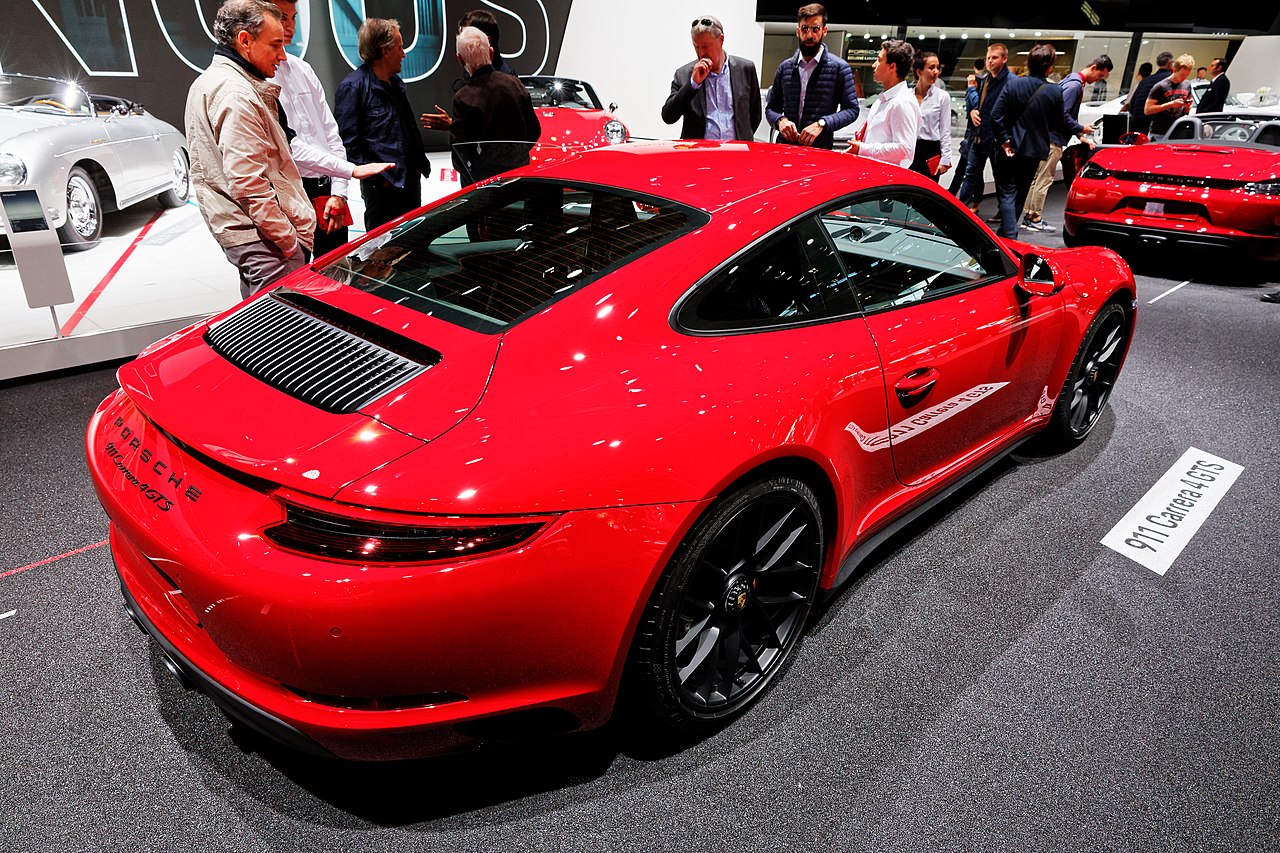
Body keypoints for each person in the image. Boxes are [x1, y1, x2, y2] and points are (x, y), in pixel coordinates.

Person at [185, 0, 315, 300]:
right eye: (275, 45)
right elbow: (249, 185)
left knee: (259, 331)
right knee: (280, 338)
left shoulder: (211, 82)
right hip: (264, 240)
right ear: (245, 41)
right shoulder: (236, 93)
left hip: (252, 237)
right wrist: (288, 242)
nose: (282, 56)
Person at [270, 0, 393, 257]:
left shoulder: (303, 69)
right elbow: (287, 146)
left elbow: (331, 135)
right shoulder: (258, 80)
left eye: (293, 18)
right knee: (297, 275)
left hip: (328, 189)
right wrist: (348, 172)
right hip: (291, 191)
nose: (289, 26)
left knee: (337, 272)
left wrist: (339, 192)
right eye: (282, 17)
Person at [334, 18, 431, 231]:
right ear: (384, 50)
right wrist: (380, 177)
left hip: (409, 182)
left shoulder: (396, 84)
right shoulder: (353, 87)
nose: (404, 54)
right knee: (382, 254)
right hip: (383, 190)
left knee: (414, 246)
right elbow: (347, 143)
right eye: (399, 47)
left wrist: (415, 168)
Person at [1020, 53, 1110, 232]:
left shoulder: (1071, 81)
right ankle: (1034, 217)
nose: (1098, 79)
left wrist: (1079, 134)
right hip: (1052, 140)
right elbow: (1063, 114)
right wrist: (1080, 128)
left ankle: (1029, 216)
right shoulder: (1075, 85)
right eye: (1100, 75)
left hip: (1046, 137)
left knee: (1037, 178)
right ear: (1094, 68)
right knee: (1044, 179)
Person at [990, 43, 1067, 239]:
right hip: (1035, 148)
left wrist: (1005, 140)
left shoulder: (1013, 84)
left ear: (1029, 64)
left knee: (1007, 192)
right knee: (1021, 192)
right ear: (1049, 67)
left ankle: (1009, 234)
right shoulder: (1054, 90)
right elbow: (1058, 122)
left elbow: (995, 115)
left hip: (1010, 147)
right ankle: (1008, 234)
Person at [446, 27, 541, 185]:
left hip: (481, 183)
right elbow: (534, 131)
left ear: (460, 59)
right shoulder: (515, 84)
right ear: (490, 52)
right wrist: (515, 157)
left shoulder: (463, 98)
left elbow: (460, 153)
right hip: (517, 176)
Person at [764, 4, 859, 149]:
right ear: (798, 31)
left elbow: (852, 110)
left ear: (824, 31)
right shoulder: (785, 68)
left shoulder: (839, 68)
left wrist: (823, 123)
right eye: (805, 29)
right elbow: (771, 108)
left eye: (815, 29)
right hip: (785, 147)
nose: (809, 35)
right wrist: (780, 120)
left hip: (819, 149)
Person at [661, 16, 762, 141]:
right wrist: (693, 84)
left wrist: (742, 135)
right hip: (699, 153)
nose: (701, 53)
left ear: (721, 39)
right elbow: (668, 116)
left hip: (737, 151)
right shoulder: (684, 74)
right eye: (696, 47)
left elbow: (755, 115)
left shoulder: (745, 69)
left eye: (705, 46)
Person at [957, 43, 1011, 220]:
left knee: (1002, 180)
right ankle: (960, 211)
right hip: (978, 137)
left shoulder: (1010, 82)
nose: (990, 61)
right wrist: (972, 110)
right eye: (988, 57)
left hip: (997, 140)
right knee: (970, 174)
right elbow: (977, 105)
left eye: (994, 57)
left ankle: (1004, 214)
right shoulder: (985, 80)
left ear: (1004, 59)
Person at [846, 40, 919, 168]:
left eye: (879, 60)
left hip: (887, 179)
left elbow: (905, 149)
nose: (874, 65)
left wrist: (863, 148)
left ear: (892, 67)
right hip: (873, 172)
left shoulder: (902, 102)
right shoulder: (883, 99)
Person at [907, 50, 951, 180]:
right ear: (919, 71)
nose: (936, 72)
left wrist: (945, 159)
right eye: (931, 68)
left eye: (938, 68)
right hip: (909, 149)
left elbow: (945, 130)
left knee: (927, 196)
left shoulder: (942, 97)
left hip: (930, 152)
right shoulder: (907, 96)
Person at [948, 57, 986, 196]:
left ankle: (955, 197)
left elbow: (976, 106)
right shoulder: (982, 80)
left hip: (976, 134)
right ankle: (973, 199)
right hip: (972, 133)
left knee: (969, 168)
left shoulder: (980, 83)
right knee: (970, 168)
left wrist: (971, 89)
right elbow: (971, 109)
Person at [1145, 53, 1195, 138]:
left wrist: (1187, 106)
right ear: (1174, 70)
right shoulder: (1161, 86)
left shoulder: (1187, 85)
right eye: (1182, 74)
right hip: (1159, 132)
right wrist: (1171, 104)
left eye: (1187, 75)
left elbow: (1186, 110)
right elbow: (1147, 110)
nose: (1184, 78)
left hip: (1178, 131)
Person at [1127, 51, 1172, 135]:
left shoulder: (1145, 81)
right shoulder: (1170, 81)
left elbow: (1132, 106)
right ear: (1170, 64)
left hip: (1138, 125)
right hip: (1158, 128)